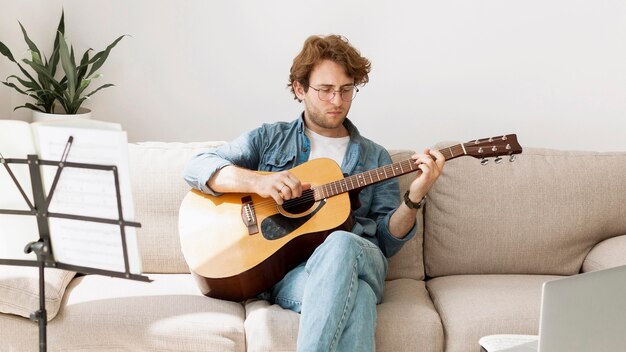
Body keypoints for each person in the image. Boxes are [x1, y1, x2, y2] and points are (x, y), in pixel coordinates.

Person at [183, 34, 445, 352]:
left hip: (364, 257)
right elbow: (197, 166)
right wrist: (259, 183)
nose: (337, 101)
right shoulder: (270, 139)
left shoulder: (376, 158)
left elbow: (387, 242)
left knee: (342, 241)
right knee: (358, 297)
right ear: (300, 89)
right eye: (325, 90)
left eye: (346, 90)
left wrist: (414, 196)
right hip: (294, 273)